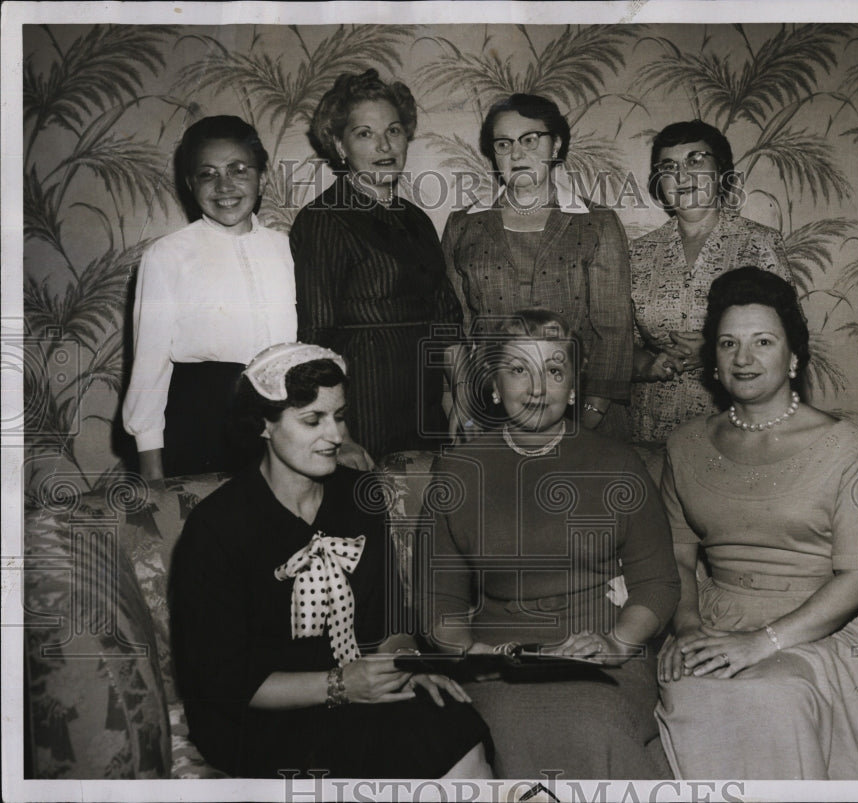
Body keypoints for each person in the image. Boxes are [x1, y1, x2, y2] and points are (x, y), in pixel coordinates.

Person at [168, 342, 491, 778]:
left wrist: (401, 669)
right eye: (312, 420)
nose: (337, 436)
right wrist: (342, 685)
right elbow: (221, 682)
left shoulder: (362, 497)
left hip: (356, 696)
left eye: (339, 416)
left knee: (453, 723)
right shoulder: (217, 527)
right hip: (263, 718)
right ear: (264, 424)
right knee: (405, 740)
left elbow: (390, 621)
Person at [655, 267, 858, 780]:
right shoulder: (684, 445)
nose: (743, 358)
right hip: (715, 620)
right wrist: (687, 630)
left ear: (793, 357)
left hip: (820, 627)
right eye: (728, 344)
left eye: (762, 342)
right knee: (695, 689)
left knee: (774, 694)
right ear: (714, 362)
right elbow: (678, 559)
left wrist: (763, 642)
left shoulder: (846, 446)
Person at [423, 310, 679, 779]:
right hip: (500, 660)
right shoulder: (458, 469)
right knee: (504, 727)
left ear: (574, 387)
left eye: (554, 371)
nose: (538, 388)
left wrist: (617, 642)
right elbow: (440, 599)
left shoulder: (618, 463)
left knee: (591, 721)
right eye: (519, 370)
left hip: (604, 655)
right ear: (494, 387)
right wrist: (468, 651)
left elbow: (658, 583)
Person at [292, 69, 463, 461]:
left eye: (394, 130)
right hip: (360, 417)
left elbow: (447, 320)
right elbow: (316, 341)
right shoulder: (323, 220)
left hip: (425, 411)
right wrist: (341, 435)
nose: (384, 144)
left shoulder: (417, 219)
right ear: (339, 144)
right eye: (364, 133)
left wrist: (464, 403)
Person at [441, 94, 633, 440]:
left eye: (530, 140)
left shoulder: (596, 223)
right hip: (491, 407)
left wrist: (591, 412)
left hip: (581, 408)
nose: (516, 154)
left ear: (556, 145)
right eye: (503, 143)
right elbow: (455, 326)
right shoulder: (462, 225)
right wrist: (458, 399)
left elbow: (614, 329)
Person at [123, 115, 297, 479]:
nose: (224, 185)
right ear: (190, 184)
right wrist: (151, 466)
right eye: (208, 174)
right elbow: (149, 368)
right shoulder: (167, 256)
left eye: (238, 169)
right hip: (202, 425)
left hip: (282, 423)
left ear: (262, 177)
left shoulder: (289, 250)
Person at [630, 119, 794, 442]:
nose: (681, 176)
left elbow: (791, 335)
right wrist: (645, 363)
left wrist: (714, 350)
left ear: (721, 172)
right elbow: (619, 344)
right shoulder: (638, 253)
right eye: (669, 166)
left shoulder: (758, 244)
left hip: (736, 428)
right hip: (650, 430)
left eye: (695, 160)